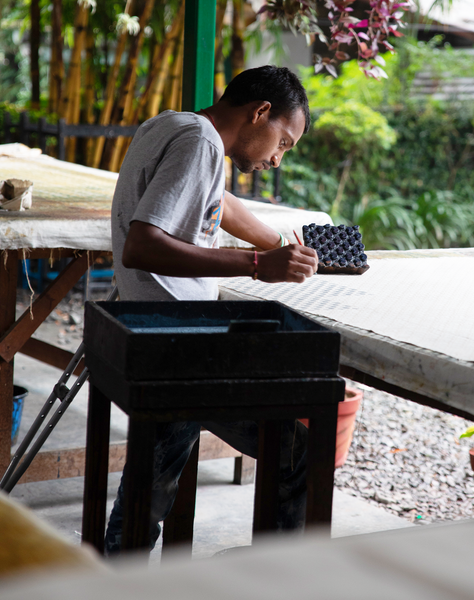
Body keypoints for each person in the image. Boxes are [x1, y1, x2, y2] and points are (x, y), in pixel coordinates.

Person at [106, 65, 318, 555]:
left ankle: (117, 565)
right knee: (299, 451)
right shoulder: (201, 143)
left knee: (151, 483)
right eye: (283, 142)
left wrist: (282, 243)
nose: (277, 160)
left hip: (155, 336)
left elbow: (216, 202)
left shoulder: (174, 124)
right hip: (176, 345)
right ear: (260, 112)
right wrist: (258, 265)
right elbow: (142, 246)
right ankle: (280, 576)